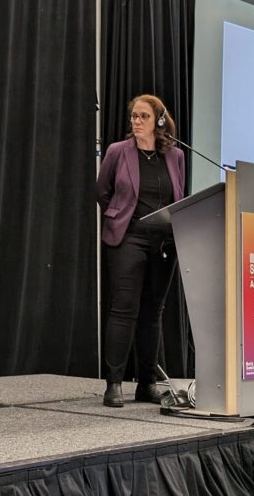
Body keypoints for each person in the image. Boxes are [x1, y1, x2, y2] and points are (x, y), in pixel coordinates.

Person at [96, 94, 186, 407]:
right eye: (134, 116)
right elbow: (102, 191)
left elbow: (179, 197)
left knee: (153, 314)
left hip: (163, 242)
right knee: (124, 310)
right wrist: (119, 218)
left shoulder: (175, 156)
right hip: (128, 238)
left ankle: (147, 383)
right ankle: (114, 384)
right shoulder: (117, 152)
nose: (136, 122)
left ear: (160, 121)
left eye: (143, 117)